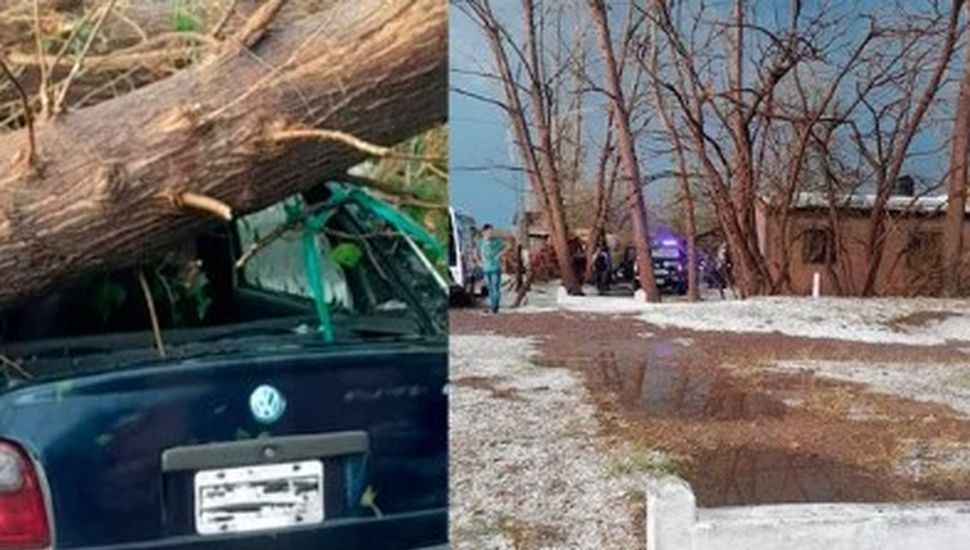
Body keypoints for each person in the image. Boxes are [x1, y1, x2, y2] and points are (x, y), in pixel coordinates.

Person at [476, 224, 509, 313]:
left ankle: (495, 306)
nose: (490, 233)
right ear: (484, 233)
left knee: (495, 287)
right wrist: (479, 262)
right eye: (488, 232)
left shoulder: (497, 241)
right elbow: (475, 253)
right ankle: (492, 305)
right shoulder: (480, 242)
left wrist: (500, 254)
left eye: (492, 232)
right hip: (486, 269)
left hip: (495, 267)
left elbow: (507, 246)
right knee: (489, 287)